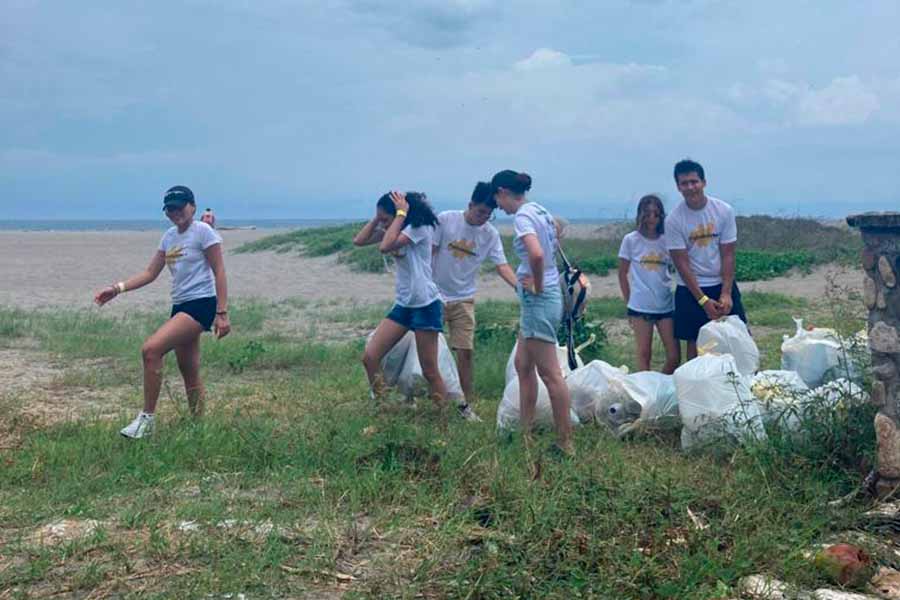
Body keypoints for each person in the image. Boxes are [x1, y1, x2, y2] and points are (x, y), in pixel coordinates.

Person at [94, 185, 230, 439]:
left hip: (201, 304)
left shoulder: (204, 232)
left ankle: (146, 420)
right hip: (180, 304)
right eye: (170, 208)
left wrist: (222, 312)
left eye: (180, 206)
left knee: (151, 350)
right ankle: (198, 428)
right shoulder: (168, 236)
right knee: (188, 370)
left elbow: (219, 271)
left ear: (192, 206)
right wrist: (117, 289)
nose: (175, 212)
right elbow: (150, 273)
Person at [492, 169, 573, 456]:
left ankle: (565, 442)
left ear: (503, 192)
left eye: (497, 199)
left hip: (540, 300)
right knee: (522, 366)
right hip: (539, 301)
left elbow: (537, 254)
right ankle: (525, 433)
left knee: (550, 374)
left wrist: (537, 285)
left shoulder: (524, 217)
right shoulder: (540, 210)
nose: (498, 206)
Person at [354, 191, 450, 415]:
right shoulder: (394, 229)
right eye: (382, 219)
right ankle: (384, 410)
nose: (384, 224)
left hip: (426, 304)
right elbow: (359, 241)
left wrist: (399, 215)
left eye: (386, 219)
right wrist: (378, 218)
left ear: (402, 214)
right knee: (370, 357)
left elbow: (385, 246)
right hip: (405, 305)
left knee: (429, 371)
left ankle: (444, 424)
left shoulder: (418, 228)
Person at [432, 182, 518, 420]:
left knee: (465, 351)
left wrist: (520, 287)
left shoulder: (489, 234)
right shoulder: (446, 220)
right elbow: (429, 252)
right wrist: (426, 288)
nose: (483, 218)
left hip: (464, 299)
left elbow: (501, 265)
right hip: (435, 296)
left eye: (489, 214)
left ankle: (465, 404)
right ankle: (436, 400)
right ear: (470, 205)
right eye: (480, 212)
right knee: (432, 352)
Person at [665, 159, 748, 360]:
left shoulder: (723, 211)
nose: (690, 187)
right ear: (678, 187)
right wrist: (703, 300)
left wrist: (726, 293)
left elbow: (728, 254)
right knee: (695, 344)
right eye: (684, 183)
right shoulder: (674, 220)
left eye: (694, 181)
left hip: (720, 283)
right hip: (691, 289)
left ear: (704, 182)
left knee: (738, 338)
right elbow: (681, 263)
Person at [617, 194, 680, 374]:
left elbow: (680, 265)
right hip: (640, 306)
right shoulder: (631, 240)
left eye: (656, 214)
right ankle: (646, 396)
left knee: (674, 356)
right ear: (640, 215)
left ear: (661, 216)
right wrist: (629, 302)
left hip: (665, 305)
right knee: (644, 354)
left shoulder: (667, 240)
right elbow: (622, 273)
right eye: (647, 213)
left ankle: (659, 385)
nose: (651, 218)